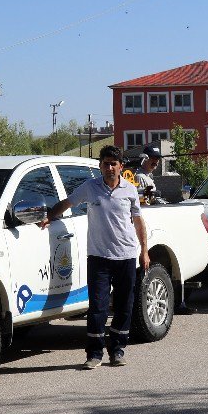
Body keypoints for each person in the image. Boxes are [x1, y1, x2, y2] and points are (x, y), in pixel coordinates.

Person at [39, 145, 149, 369]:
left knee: (123, 306)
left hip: (126, 255)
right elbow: (68, 203)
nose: (109, 167)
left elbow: (138, 222)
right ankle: (94, 353)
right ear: (100, 166)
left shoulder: (129, 190)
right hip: (99, 258)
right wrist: (49, 216)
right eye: (105, 163)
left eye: (113, 164)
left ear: (121, 167)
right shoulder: (90, 187)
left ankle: (118, 350)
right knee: (97, 306)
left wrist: (144, 251)